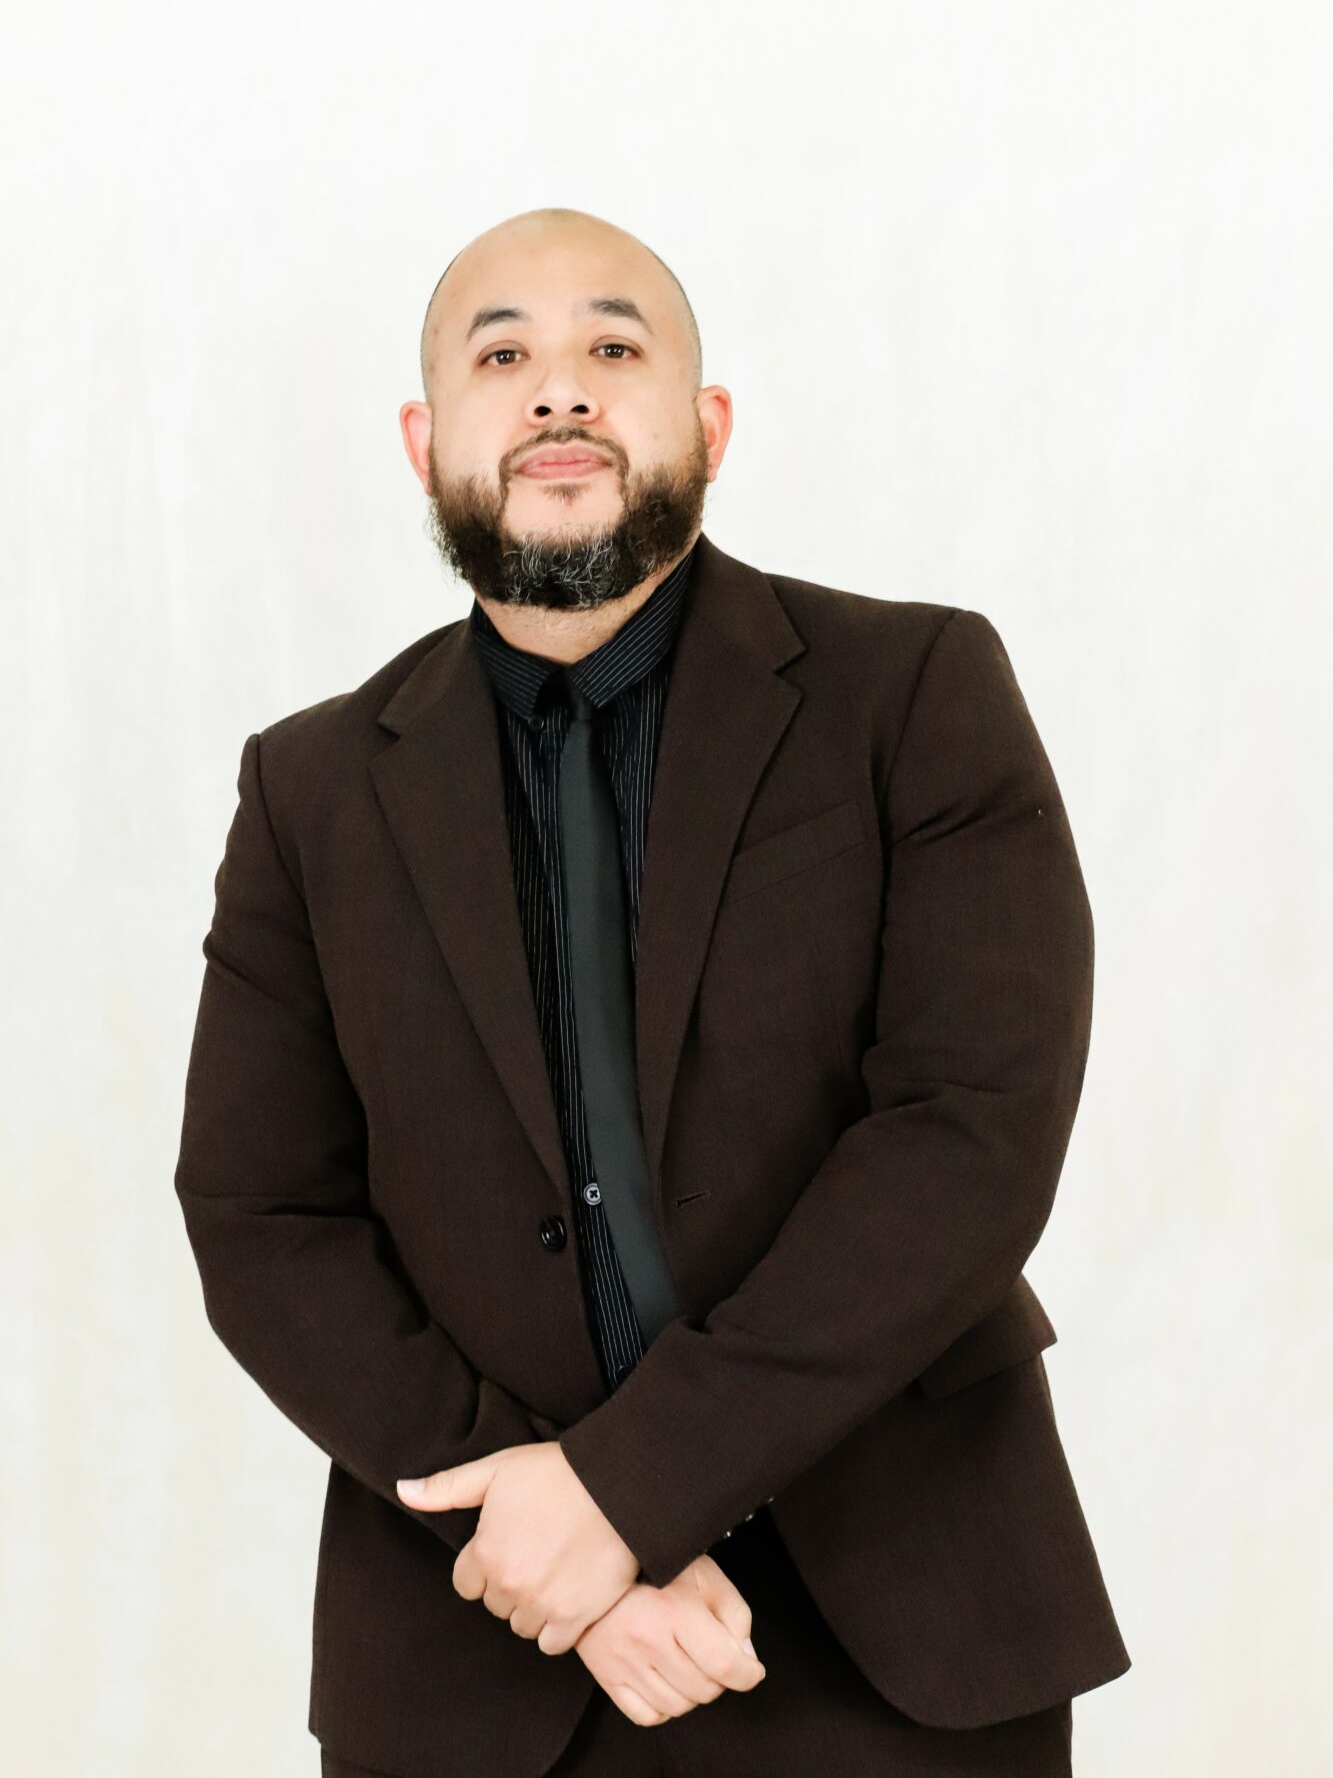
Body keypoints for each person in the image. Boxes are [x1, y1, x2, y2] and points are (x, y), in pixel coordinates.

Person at [176, 206, 1130, 1776]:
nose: (559, 393)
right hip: (478, 1639)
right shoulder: (309, 790)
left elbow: (970, 1134)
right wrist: (543, 1534)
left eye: (613, 349)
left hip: (895, 1633)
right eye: (504, 357)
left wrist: (627, 1490)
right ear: (425, 442)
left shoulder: (917, 693)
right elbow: (260, 1213)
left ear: (708, 422)